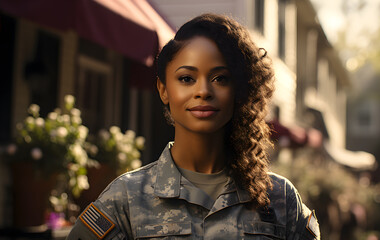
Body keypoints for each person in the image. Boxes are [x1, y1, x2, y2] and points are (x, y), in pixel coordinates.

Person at [67, 13, 320, 240]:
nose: (203, 91)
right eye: (186, 78)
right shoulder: (125, 199)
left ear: (239, 91)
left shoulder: (281, 201)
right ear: (164, 90)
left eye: (220, 78)